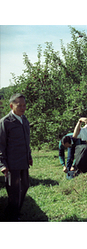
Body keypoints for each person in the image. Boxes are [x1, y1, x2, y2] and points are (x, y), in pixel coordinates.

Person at [0, 93, 33, 221]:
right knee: (13, 192)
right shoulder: (5, 122)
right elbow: (1, 145)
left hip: (24, 162)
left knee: (24, 186)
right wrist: (2, 165)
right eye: (20, 106)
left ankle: (14, 212)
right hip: (11, 164)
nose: (23, 108)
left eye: (24, 105)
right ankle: (12, 218)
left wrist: (29, 156)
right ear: (11, 106)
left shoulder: (24, 120)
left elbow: (27, 141)